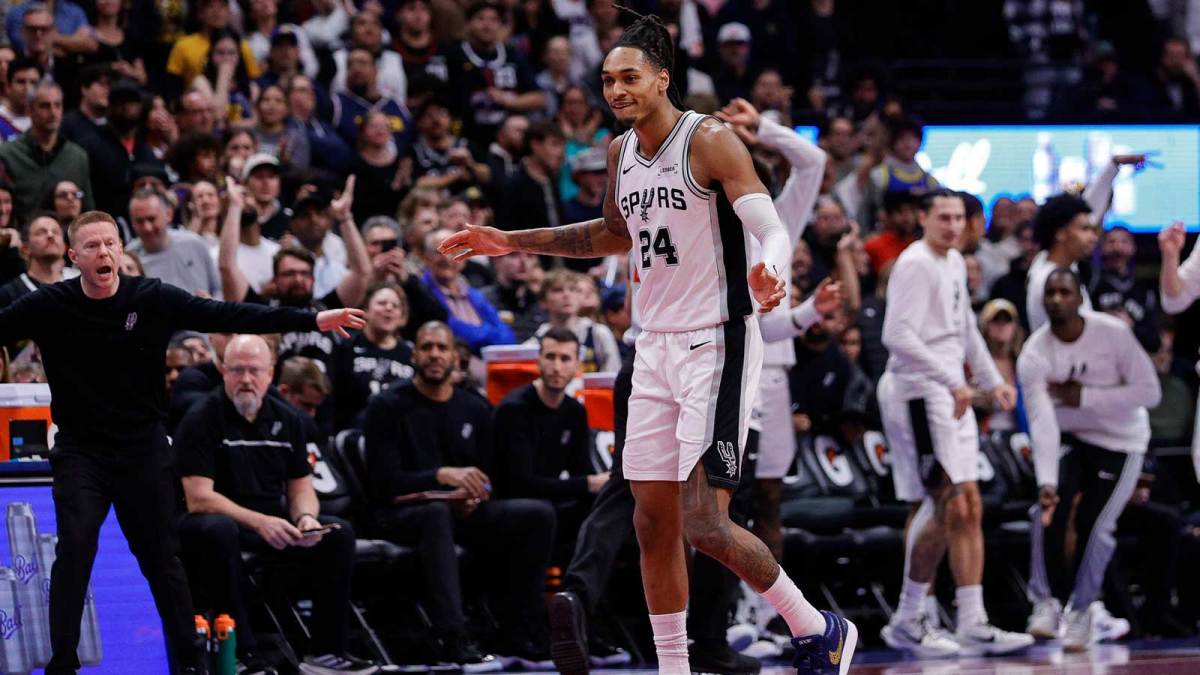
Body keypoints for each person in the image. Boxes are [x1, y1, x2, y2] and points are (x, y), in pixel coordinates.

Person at [438, 10, 856, 674]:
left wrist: (771, 266)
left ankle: (816, 624)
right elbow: (611, 235)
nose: (615, 90)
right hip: (651, 345)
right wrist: (508, 240)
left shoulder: (710, 140)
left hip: (716, 341)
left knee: (705, 524)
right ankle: (673, 667)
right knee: (651, 523)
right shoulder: (618, 152)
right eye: (607, 80)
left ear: (664, 78)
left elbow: (768, 221)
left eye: (628, 77)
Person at [0, 210, 364, 674]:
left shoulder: (149, 297)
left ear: (119, 248)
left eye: (110, 243)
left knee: (161, 559)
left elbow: (228, 313)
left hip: (143, 448)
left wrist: (313, 320)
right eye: (91, 247)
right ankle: (63, 664)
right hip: (81, 450)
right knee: (74, 548)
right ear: (75, 257)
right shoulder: (50, 304)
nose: (104, 253)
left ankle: (189, 663)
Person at [876, 189, 1033, 658]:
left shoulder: (953, 263)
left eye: (958, 218)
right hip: (920, 392)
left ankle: (972, 620)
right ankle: (907, 618)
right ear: (922, 217)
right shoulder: (915, 263)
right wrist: (954, 381)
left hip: (950, 393)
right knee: (944, 503)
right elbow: (895, 335)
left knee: (969, 506)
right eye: (942, 217)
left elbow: (963, 326)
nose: (951, 225)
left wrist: (990, 379)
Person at [176, 335, 376, 674]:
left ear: (271, 374)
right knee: (219, 530)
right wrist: (260, 522)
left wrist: (307, 519)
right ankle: (242, 654)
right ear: (223, 371)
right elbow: (199, 497)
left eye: (255, 370)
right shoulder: (201, 417)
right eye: (237, 370)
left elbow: (301, 489)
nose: (246, 380)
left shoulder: (289, 419)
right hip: (210, 521)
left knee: (338, 533)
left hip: (266, 520)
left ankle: (327, 651)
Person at [364, 321, 552, 668]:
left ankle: (522, 629)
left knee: (536, 515)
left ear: (456, 357)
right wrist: (439, 476)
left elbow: (493, 477)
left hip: (461, 513)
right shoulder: (387, 406)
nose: (434, 354)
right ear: (414, 354)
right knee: (436, 514)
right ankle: (453, 635)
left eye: (441, 348)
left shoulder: (476, 408)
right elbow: (383, 482)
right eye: (427, 347)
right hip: (402, 513)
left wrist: (477, 497)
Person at [1019, 269, 1160, 651]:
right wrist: (1046, 482)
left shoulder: (1113, 335)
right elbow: (1042, 422)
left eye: (1065, 292)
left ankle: (1083, 611)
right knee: (1044, 512)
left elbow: (1150, 393)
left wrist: (1086, 398)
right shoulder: (1035, 353)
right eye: (1050, 293)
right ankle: (1045, 604)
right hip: (1073, 438)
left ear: (1080, 297)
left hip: (1123, 441)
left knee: (1095, 525)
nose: (1056, 299)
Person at [494, 327, 608, 559]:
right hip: (509, 504)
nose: (557, 367)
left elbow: (581, 470)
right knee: (542, 512)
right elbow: (519, 484)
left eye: (565, 359)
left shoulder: (574, 411)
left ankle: (591, 593)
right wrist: (588, 483)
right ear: (539, 361)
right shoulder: (514, 409)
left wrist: (598, 485)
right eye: (550, 357)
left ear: (577, 366)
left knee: (608, 507)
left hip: (550, 502)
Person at [0, 81, 94, 224]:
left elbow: (87, 210)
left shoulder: (77, 156)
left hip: (66, 240)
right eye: (45, 106)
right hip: (22, 241)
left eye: (57, 105)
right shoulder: (8, 154)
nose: (53, 112)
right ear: (30, 110)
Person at [330, 282, 415, 431]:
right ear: (366, 310)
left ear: (402, 317)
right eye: (382, 303)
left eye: (395, 306)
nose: (388, 308)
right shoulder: (346, 347)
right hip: (352, 432)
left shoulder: (410, 355)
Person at [126, 188, 222, 297]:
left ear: (168, 215)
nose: (147, 227)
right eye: (139, 221)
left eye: (151, 219)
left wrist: (212, 304)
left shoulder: (194, 244)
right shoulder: (128, 259)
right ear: (132, 223)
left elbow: (219, 289)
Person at [1026, 194, 1099, 331]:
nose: (1093, 237)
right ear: (1060, 233)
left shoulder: (1054, 262)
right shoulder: (1047, 280)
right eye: (1084, 229)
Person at [529, 269, 619, 373]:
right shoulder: (537, 340)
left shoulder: (598, 333)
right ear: (543, 301)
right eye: (557, 290)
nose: (566, 295)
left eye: (572, 289)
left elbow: (612, 377)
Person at [1092, 225, 1161, 352]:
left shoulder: (1144, 291)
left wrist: (1130, 327)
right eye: (1111, 242)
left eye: (1124, 242)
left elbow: (1154, 342)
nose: (1117, 247)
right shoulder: (1092, 283)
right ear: (1101, 248)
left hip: (1131, 359)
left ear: (1133, 248)